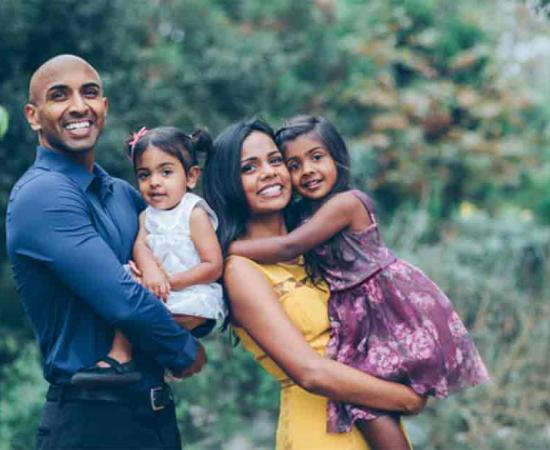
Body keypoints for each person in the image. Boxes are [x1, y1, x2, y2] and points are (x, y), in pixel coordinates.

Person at [229, 115, 490, 449]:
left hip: (380, 311)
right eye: (294, 163)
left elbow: (287, 246)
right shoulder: (291, 228)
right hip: (325, 399)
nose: (306, 170)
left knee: (375, 401)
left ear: (338, 157)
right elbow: (311, 372)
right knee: (368, 406)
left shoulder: (345, 204)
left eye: (316, 158)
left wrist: (225, 246)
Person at [6, 54, 206, 450]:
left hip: (155, 418)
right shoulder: (41, 195)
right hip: (91, 420)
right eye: (59, 96)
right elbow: (124, 300)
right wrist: (186, 352)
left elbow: (182, 253)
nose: (79, 106)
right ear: (33, 115)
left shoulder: (124, 194)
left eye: (90, 93)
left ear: (104, 107)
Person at [202, 117, 426, 450]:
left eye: (275, 160)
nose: (269, 172)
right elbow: (310, 372)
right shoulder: (240, 269)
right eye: (249, 168)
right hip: (319, 432)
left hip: (371, 422)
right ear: (228, 184)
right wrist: (405, 400)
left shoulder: (318, 247)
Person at [71, 126, 226, 387]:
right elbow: (140, 246)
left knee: (152, 316)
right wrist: (151, 272)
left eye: (166, 172)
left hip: (191, 291)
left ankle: (161, 353)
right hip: (157, 289)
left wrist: (171, 282)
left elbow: (213, 266)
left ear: (190, 177)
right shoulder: (147, 214)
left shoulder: (194, 213)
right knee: (124, 289)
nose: (154, 182)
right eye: (144, 174)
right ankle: (125, 353)